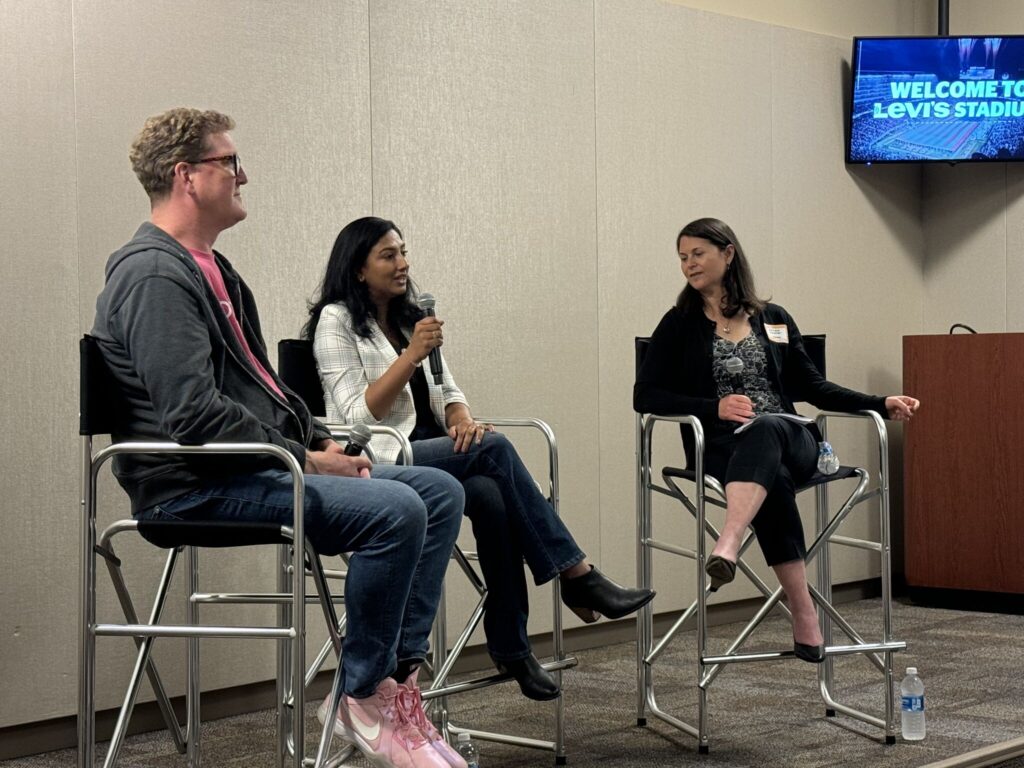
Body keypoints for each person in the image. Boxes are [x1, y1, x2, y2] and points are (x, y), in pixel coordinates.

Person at [91, 108, 468, 768]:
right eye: (228, 163)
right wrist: (308, 461)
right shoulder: (153, 275)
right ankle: (363, 697)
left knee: (437, 492)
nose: (244, 174)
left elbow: (258, 395)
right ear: (187, 176)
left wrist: (321, 442)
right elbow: (192, 415)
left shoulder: (213, 268)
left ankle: (388, 686)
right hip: (191, 488)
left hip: (253, 470)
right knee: (398, 509)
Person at [305, 216, 655, 700]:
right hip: (379, 458)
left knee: (491, 494)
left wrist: (463, 419)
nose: (403, 263)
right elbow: (358, 415)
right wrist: (410, 356)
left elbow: (448, 391)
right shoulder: (337, 321)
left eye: (404, 251)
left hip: (434, 454)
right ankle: (576, 576)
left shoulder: (411, 318)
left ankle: (513, 644)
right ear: (359, 268)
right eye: (389, 255)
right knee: (493, 450)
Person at [633, 217, 919, 663]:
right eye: (682, 257)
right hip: (724, 450)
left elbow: (813, 387)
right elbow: (644, 395)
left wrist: (880, 402)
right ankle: (805, 614)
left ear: (727, 254)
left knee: (769, 428)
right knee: (774, 482)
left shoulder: (774, 318)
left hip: (792, 437)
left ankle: (728, 540)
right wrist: (715, 407)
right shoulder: (679, 323)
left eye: (698, 254)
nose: (689, 265)